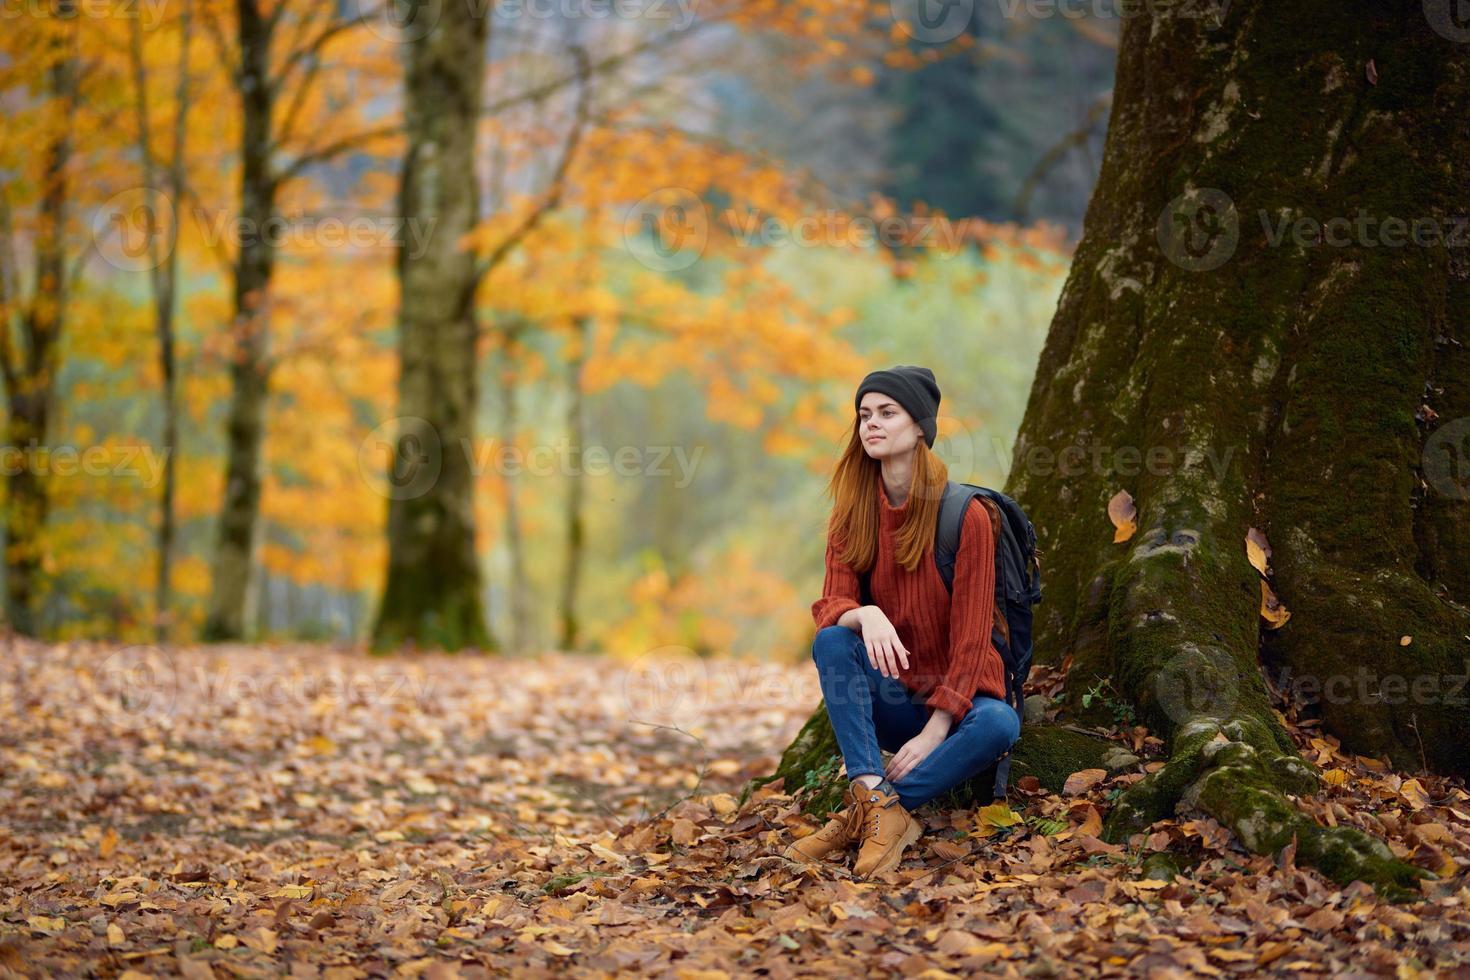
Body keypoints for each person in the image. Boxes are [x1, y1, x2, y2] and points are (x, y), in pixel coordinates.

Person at [782, 365, 1021, 877]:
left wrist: (937, 728)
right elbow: (830, 606)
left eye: (887, 413)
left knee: (1000, 723)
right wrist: (865, 614)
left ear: (920, 428)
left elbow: (974, 638)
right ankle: (873, 794)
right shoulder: (851, 513)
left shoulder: (966, 514)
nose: (872, 423)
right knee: (831, 641)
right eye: (865, 414)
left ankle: (866, 816)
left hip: (958, 706)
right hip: (894, 696)